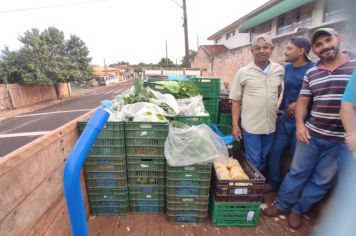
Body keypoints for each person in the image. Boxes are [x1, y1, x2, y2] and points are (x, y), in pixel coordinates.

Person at [263, 28, 356, 229]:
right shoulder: (312, 72)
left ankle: (299, 209)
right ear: (313, 49)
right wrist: (299, 125)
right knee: (297, 171)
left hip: (341, 140)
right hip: (311, 133)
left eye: (328, 40)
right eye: (318, 45)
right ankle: (282, 204)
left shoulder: (354, 67)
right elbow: (303, 101)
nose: (324, 47)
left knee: (323, 180)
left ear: (338, 38)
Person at [265, 36, 316, 192]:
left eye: (289, 48)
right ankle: (273, 182)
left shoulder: (314, 69)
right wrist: (280, 110)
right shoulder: (287, 68)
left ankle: (288, 189)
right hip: (285, 120)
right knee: (274, 152)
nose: (285, 52)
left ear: (301, 51)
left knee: (296, 158)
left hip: (302, 123)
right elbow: (286, 92)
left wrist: (300, 103)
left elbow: (319, 95)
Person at [229, 35, 285, 171]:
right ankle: (254, 187)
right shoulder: (243, 72)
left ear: (271, 49)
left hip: (270, 125)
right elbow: (236, 100)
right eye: (258, 48)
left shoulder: (279, 70)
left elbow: (278, 91)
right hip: (251, 125)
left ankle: (256, 184)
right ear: (252, 51)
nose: (262, 51)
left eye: (265, 47)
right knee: (254, 159)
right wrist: (235, 125)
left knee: (264, 157)